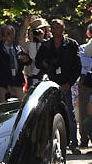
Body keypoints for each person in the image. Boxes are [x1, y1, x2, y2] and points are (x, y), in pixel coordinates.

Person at [35, 18, 82, 155]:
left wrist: (69, 83)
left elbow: (77, 67)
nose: (56, 30)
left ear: (64, 29)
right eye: (53, 27)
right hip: (50, 83)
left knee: (69, 113)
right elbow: (37, 63)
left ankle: (73, 143)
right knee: (50, 113)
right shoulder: (46, 46)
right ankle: (51, 144)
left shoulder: (71, 45)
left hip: (65, 83)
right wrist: (44, 64)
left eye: (59, 27)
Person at [0, 24, 26, 104]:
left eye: (8, 34)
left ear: (13, 35)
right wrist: (8, 86)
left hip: (17, 83)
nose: (6, 37)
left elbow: (26, 61)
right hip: (2, 85)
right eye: (3, 34)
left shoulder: (18, 48)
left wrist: (27, 59)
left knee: (20, 106)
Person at [22, 17, 49, 87]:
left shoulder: (49, 43)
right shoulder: (29, 44)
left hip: (45, 76)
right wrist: (32, 41)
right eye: (37, 30)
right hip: (32, 77)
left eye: (42, 29)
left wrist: (42, 40)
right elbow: (33, 57)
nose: (40, 32)